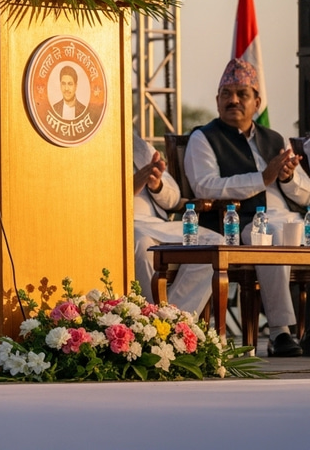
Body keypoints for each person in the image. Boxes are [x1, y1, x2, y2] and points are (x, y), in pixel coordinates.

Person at [184, 58, 310, 357]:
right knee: (271, 233)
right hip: (239, 222)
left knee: (282, 228)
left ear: (257, 102)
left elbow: (305, 194)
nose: (234, 100)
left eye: (242, 94)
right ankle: (280, 332)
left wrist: (287, 177)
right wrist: (262, 178)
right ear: (217, 100)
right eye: (226, 94)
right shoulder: (203, 138)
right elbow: (205, 186)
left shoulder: (274, 138)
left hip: (288, 217)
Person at [132, 133, 222, 314]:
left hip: (157, 224)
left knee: (215, 244)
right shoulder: (89, 149)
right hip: (125, 224)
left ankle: (174, 318)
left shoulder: (137, 145)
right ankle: (155, 319)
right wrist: (130, 186)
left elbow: (173, 198)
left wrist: (157, 185)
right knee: (143, 245)